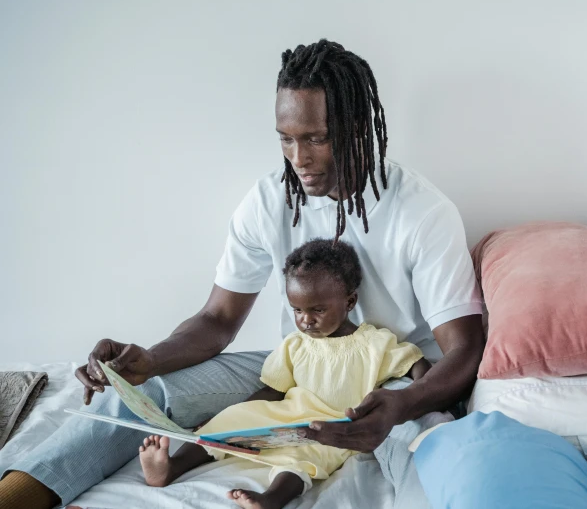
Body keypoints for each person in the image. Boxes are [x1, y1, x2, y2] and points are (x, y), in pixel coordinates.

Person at [0, 39, 484, 509]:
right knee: (143, 390)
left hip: (393, 379)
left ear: (358, 126)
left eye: (317, 138)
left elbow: (464, 348)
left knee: (424, 442)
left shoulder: (422, 212)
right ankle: (19, 495)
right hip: (297, 369)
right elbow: (217, 319)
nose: (300, 159)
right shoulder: (269, 199)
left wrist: (406, 403)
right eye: (287, 139)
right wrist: (148, 359)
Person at [139, 238, 431, 509]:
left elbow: (416, 364)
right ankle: (172, 467)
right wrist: (233, 412)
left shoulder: (375, 343)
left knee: (305, 456)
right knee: (228, 422)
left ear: (350, 302)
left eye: (317, 310)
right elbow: (272, 390)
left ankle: (271, 499)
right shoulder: (295, 343)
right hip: (285, 414)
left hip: (332, 427)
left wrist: (420, 396)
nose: (306, 320)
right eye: (297, 310)